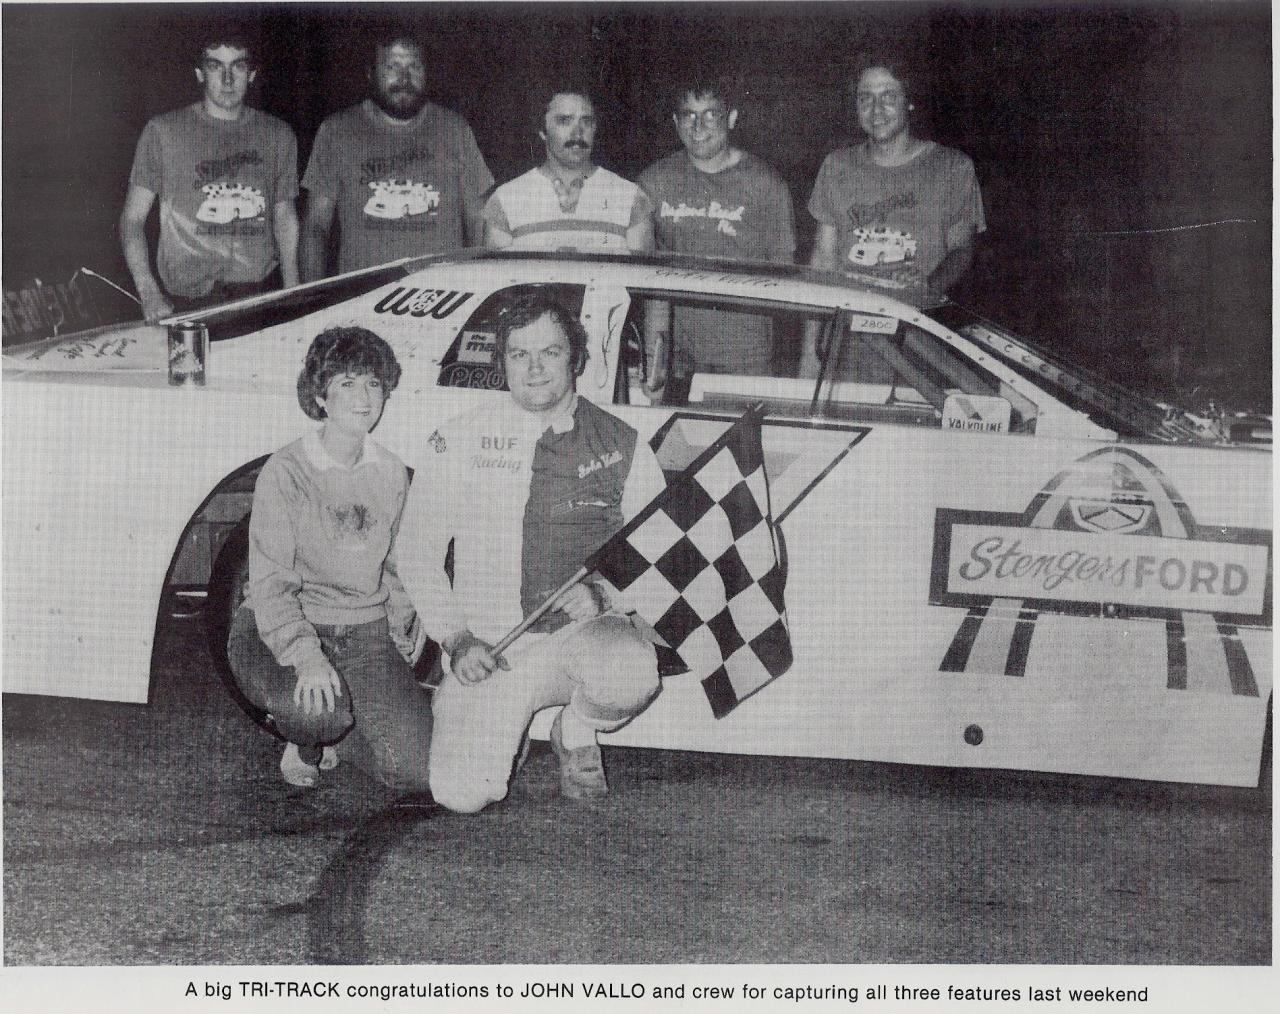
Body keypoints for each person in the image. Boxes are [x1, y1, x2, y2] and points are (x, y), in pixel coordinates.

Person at [397, 289, 667, 813]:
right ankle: (500, 723)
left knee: (632, 673)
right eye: (520, 354)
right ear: (502, 362)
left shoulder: (623, 442)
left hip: (583, 637)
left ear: (576, 358)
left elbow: (659, 552)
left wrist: (605, 596)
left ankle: (577, 728)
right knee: (461, 794)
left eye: (550, 352)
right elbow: (417, 552)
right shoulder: (460, 438)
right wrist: (457, 640)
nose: (535, 368)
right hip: (493, 648)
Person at [227, 326, 433, 791]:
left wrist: (396, 642)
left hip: (364, 633)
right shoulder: (286, 470)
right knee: (316, 713)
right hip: (282, 627)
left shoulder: (392, 471)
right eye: (347, 383)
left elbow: (398, 570)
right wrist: (306, 657)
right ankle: (307, 740)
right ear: (320, 395)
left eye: (374, 384)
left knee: (418, 774)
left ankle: (339, 723)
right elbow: (271, 582)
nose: (364, 397)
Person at [801, 50, 986, 376]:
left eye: (888, 96)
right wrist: (808, 354)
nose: (876, 110)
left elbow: (962, 249)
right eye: (865, 98)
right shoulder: (837, 166)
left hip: (918, 346)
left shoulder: (952, 167)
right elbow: (822, 261)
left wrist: (926, 286)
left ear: (909, 101)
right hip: (846, 346)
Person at [120, 26, 299, 323]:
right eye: (216, 66)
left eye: (238, 66)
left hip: (259, 296)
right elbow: (132, 218)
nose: (227, 80)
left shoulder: (278, 134)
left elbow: (284, 215)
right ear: (200, 73)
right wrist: (148, 291)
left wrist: (293, 290)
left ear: (252, 74)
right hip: (188, 302)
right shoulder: (163, 132)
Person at [638, 73, 796, 396]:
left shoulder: (766, 184)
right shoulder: (654, 182)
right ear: (675, 122)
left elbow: (787, 281)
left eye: (711, 114)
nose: (698, 127)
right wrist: (655, 362)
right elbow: (652, 284)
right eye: (689, 115)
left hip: (747, 358)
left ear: (732, 118)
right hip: (679, 357)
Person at [300, 30, 493, 280]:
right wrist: (314, 297)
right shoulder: (337, 131)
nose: (404, 79)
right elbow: (315, 227)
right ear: (370, 73)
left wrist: (476, 283)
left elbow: (479, 221)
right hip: (365, 295)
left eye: (414, 66)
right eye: (392, 67)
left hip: (442, 291)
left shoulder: (455, 129)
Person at [483, 85, 654, 253]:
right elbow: (495, 271)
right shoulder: (506, 199)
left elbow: (643, 271)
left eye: (586, 121)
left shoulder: (630, 197)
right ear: (542, 131)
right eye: (564, 121)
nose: (577, 133)